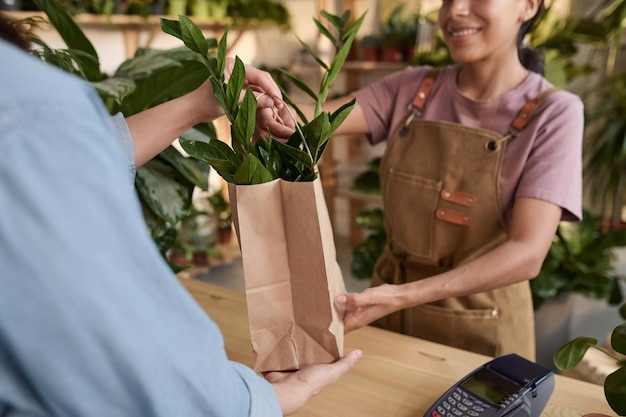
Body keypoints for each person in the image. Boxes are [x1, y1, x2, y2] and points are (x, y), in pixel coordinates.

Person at [0, 12, 360, 417]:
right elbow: (117, 352)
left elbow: (87, 158)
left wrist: (196, 105)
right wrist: (268, 398)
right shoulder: (28, 102)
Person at [263, 0, 584, 360]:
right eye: (447, 0)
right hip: (387, 317)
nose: (455, 11)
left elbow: (528, 252)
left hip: (481, 331)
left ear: (528, 6)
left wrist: (402, 296)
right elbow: (311, 120)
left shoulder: (554, 112)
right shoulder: (414, 88)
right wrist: (261, 102)